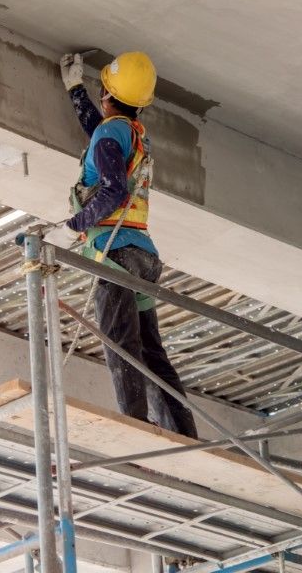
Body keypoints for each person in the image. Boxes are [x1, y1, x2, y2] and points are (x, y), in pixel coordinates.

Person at [58, 51, 198, 439]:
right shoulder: (134, 134)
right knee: (152, 354)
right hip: (142, 256)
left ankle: (136, 427)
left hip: (113, 253)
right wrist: (75, 92)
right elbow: (99, 134)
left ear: (106, 91)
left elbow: (113, 189)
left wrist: (78, 222)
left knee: (122, 345)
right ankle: (184, 435)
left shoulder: (111, 133)